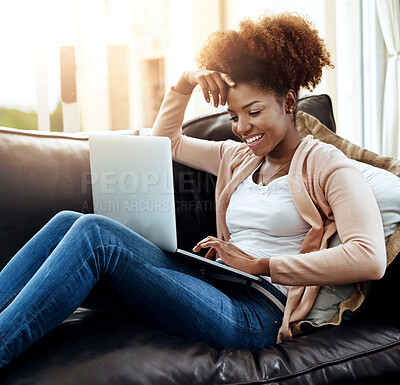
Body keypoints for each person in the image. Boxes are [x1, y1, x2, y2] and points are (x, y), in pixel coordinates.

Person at [0, 13, 386, 368]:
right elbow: (167, 144)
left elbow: (370, 258)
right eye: (234, 116)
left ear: (288, 102)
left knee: (94, 235)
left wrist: (263, 266)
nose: (242, 127)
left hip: (258, 312)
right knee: (70, 220)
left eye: (253, 112)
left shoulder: (327, 164)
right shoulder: (238, 158)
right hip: (214, 284)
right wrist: (184, 82)